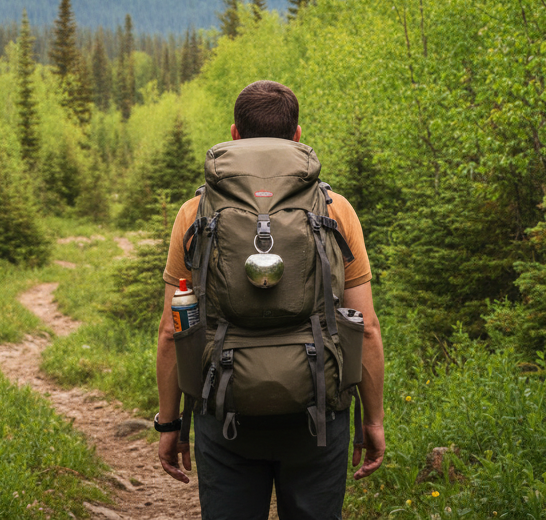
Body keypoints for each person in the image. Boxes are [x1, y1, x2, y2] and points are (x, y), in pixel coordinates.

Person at [153, 80, 385, 519]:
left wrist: (170, 424)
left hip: (224, 406)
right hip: (318, 406)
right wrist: (371, 421)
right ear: (297, 135)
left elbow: (172, 328)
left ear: (235, 135)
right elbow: (365, 325)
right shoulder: (335, 209)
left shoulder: (194, 212)